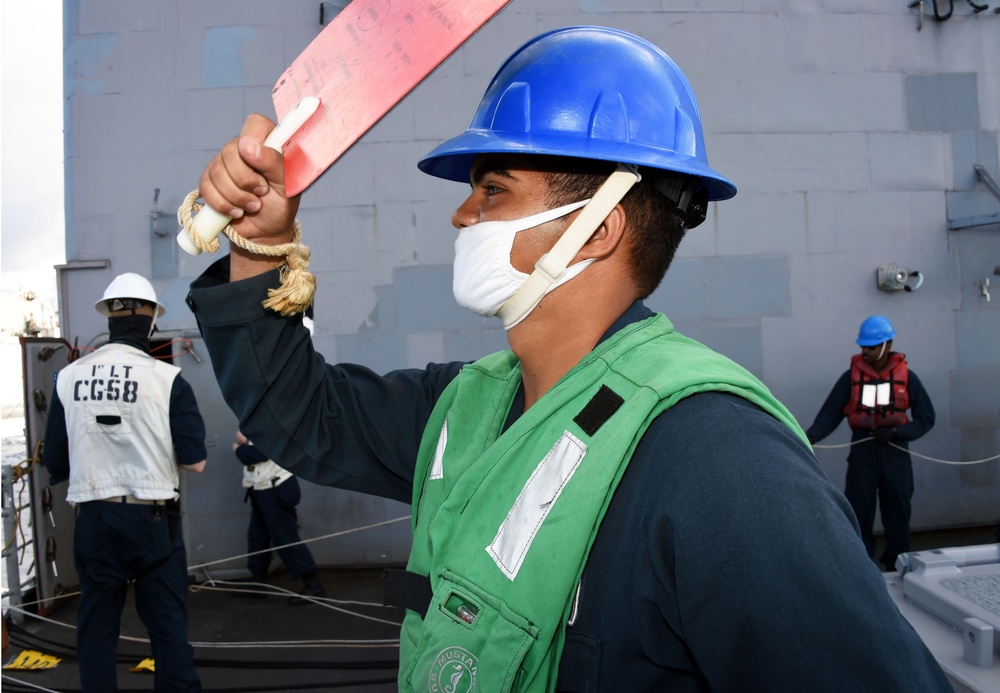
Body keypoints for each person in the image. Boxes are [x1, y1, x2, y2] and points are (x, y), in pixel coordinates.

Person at [185, 26, 951, 691]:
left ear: (595, 229)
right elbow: (300, 416)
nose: (461, 213)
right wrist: (263, 241)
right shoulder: (465, 406)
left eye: (492, 189)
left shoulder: (726, 469)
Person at [44, 272, 206, 692]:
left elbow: (56, 462)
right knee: (167, 628)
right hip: (153, 522)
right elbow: (196, 463)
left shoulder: (67, 378)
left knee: (96, 628)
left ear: (109, 318)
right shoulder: (168, 379)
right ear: (151, 319)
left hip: (95, 521)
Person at [806, 315, 936, 572]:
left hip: (894, 452)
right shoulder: (851, 377)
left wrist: (899, 432)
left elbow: (926, 418)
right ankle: (861, 566)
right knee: (858, 510)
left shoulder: (908, 377)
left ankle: (896, 565)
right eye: (863, 346)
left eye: (872, 346)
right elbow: (830, 415)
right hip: (862, 452)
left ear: (887, 345)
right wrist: (808, 438)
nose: (865, 351)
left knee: (897, 510)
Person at [231, 429, 325, 605]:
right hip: (260, 489)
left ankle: (313, 585)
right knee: (258, 537)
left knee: (285, 537)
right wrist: (246, 439)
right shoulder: (259, 421)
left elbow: (256, 454)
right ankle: (258, 582)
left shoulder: (273, 423)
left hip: (275, 489)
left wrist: (237, 448)